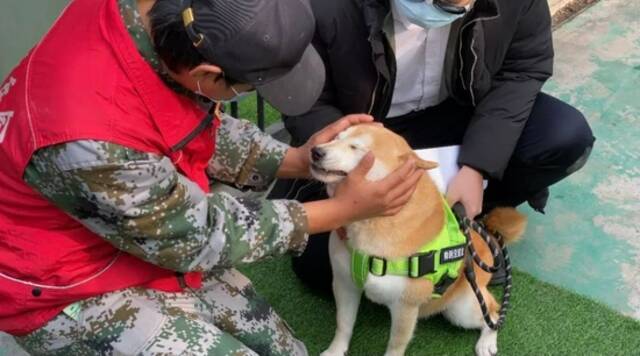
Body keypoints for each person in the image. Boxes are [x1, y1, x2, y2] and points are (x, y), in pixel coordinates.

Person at [0, 0, 424, 354]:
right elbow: (195, 237)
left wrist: (296, 160)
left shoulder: (164, 26)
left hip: (142, 224)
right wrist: (338, 211)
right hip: (67, 285)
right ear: (206, 75)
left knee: (284, 348)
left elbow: (190, 122)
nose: (249, 96)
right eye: (249, 87)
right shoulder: (89, 140)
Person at [272, 0, 596, 293]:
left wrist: (477, 166)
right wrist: (347, 181)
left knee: (563, 136)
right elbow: (309, 103)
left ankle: (467, 222)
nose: (441, 8)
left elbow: (523, 69)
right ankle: (413, 236)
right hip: (364, 130)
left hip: (459, 111)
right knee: (318, 267)